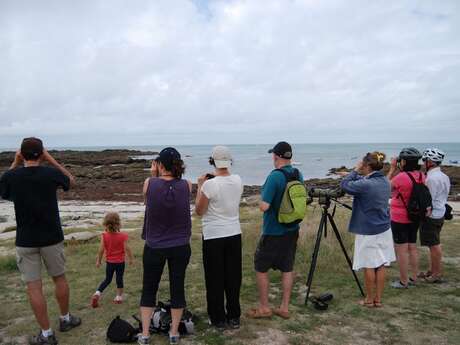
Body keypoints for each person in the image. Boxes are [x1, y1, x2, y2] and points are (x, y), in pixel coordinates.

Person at [0, 138, 81, 345]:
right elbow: (71, 181)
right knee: (59, 278)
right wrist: (50, 159)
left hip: (26, 240)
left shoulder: (13, 176)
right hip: (52, 237)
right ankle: (65, 319)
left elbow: (2, 187)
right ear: (41, 153)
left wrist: (16, 162)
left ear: (22, 154)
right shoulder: (50, 174)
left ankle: (46, 334)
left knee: (33, 287)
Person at [138, 147, 192, 345]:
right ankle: (174, 333)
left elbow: (148, 201)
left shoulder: (149, 183)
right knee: (177, 288)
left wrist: (154, 175)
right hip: (180, 246)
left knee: (149, 288)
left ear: (159, 164)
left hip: (155, 246)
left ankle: (144, 334)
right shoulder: (187, 185)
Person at [247, 141, 303, 320]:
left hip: (273, 231)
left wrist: (257, 201)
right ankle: (284, 307)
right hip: (292, 228)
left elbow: (264, 206)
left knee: (261, 267)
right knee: (287, 267)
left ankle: (264, 308)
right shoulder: (298, 174)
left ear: (276, 156)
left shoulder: (274, 177)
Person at [195, 146, 244, 330]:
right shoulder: (238, 180)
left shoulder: (210, 185)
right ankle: (234, 316)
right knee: (233, 276)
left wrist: (200, 186)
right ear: (229, 161)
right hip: (234, 232)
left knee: (214, 277)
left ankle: (218, 318)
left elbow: (199, 211)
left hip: (214, 235)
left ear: (213, 161)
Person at [340, 152, 396, 307]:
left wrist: (354, 171)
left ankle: (369, 299)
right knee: (381, 264)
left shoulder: (365, 185)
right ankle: (378, 299)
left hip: (368, 231)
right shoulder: (385, 181)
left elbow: (344, 185)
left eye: (363, 165)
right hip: (384, 228)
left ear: (368, 166)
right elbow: (365, 181)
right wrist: (358, 174)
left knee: (369, 265)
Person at [387, 147, 424, 288]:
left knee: (401, 249)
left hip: (399, 217)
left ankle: (403, 281)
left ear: (403, 162)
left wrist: (391, 169)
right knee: (412, 247)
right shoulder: (421, 176)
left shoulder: (400, 177)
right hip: (415, 216)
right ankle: (414, 278)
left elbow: (384, 188)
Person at [419, 148, 451, 283]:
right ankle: (432, 270)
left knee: (434, 245)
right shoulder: (444, 176)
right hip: (440, 212)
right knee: (433, 243)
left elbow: (428, 199)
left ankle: (436, 274)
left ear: (430, 162)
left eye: (424, 160)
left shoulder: (431, 178)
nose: (422, 163)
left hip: (432, 215)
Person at [91, 212, 134, 307]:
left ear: (106, 224)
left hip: (110, 262)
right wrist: (131, 259)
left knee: (107, 279)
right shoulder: (123, 236)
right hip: (120, 262)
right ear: (118, 224)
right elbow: (127, 248)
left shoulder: (104, 236)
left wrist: (98, 260)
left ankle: (97, 293)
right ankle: (118, 297)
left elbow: (101, 249)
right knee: (119, 279)